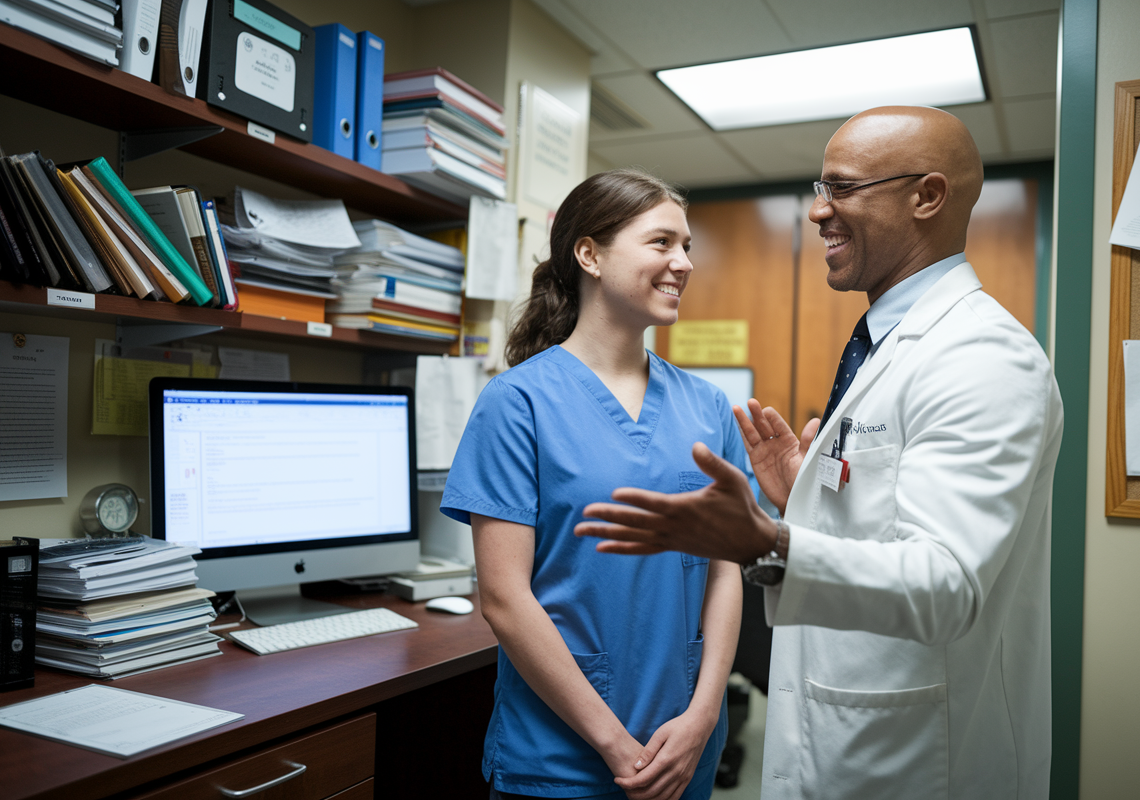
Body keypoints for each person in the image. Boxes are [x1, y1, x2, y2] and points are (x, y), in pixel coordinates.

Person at [574, 107, 1064, 799]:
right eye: (819, 186)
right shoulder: (888, 340)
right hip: (853, 735)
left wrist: (772, 542)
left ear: (926, 196)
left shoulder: (982, 356)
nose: (817, 212)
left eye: (842, 189)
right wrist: (803, 498)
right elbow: (892, 526)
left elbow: (949, 582)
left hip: (920, 760)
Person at [440, 169, 750, 800]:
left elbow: (726, 570)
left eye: (687, 246)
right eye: (661, 242)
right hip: (561, 757)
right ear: (590, 255)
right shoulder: (517, 403)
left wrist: (704, 715)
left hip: (683, 746)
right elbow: (503, 597)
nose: (683, 262)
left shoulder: (708, 407)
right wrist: (610, 741)